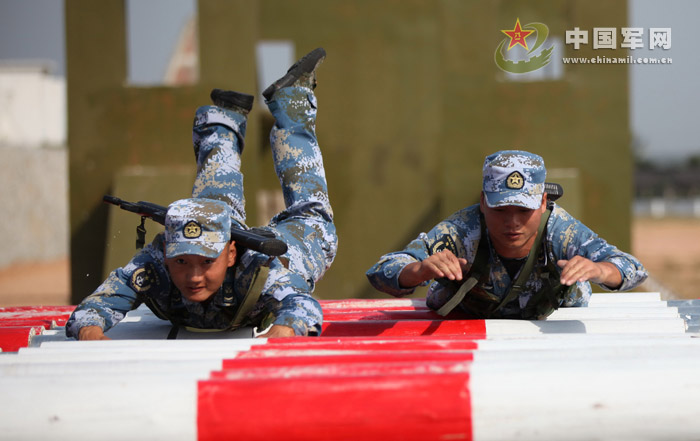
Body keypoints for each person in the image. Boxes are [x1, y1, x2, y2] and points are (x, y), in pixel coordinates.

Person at [66, 48, 337, 339]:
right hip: (222, 232)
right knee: (213, 205)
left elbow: (302, 305)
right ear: (168, 253)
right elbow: (95, 306)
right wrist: (91, 333)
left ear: (231, 254)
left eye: (207, 262)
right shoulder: (154, 264)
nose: (194, 276)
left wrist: (286, 331)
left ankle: (291, 100)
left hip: (286, 248)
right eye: (182, 261)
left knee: (315, 219)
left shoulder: (260, 270)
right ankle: (222, 122)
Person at [366, 150, 648, 319]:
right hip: (466, 328)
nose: (512, 223)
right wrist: (419, 269)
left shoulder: (561, 230)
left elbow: (632, 268)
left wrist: (599, 270)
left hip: (552, 330)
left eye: (524, 210)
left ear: (542, 203)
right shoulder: (462, 230)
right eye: (500, 209)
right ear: (482, 201)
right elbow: (382, 270)